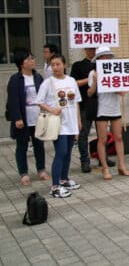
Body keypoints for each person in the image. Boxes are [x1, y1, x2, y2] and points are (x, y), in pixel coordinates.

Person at [34, 54, 81, 198]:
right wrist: (52, 110)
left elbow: (77, 101)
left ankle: (64, 179)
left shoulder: (71, 80)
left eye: (57, 64)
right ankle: (55, 186)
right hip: (58, 123)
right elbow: (39, 101)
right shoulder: (48, 82)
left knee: (67, 153)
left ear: (64, 65)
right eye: (52, 65)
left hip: (71, 122)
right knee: (61, 152)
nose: (55, 67)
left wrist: (78, 121)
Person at [88, 46, 129, 180]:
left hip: (114, 108)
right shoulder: (93, 73)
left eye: (109, 56)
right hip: (101, 109)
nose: (107, 58)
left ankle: (121, 165)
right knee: (102, 139)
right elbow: (89, 93)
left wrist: (120, 90)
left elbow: (121, 91)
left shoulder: (116, 71)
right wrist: (96, 82)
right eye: (104, 56)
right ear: (99, 58)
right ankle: (105, 168)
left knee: (118, 137)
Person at [7, 48, 49, 186]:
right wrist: (17, 118)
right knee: (22, 146)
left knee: (39, 145)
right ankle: (24, 173)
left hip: (38, 118)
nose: (32, 61)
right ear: (21, 63)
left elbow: (44, 97)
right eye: (29, 59)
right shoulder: (15, 79)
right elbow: (13, 101)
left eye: (33, 58)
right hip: (23, 120)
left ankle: (41, 170)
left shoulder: (38, 77)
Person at [72, 47, 115, 173]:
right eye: (89, 49)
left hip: (103, 104)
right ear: (85, 49)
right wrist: (92, 79)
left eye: (94, 49)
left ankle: (103, 159)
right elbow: (74, 83)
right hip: (86, 103)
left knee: (103, 134)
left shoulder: (106, 66)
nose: (91, 51)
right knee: (83, 133)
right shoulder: (78, 65)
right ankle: (85, 161)